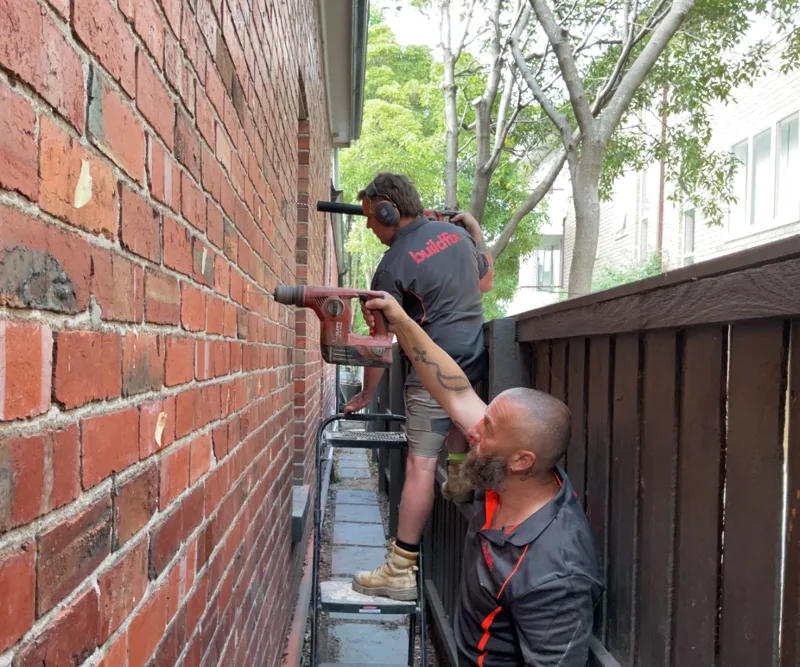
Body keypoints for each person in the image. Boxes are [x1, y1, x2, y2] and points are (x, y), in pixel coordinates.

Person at [361, 290, 603, 666]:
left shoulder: (554, 573)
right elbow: (453, 389)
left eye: (487, 429)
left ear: (522, 460)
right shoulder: (512, 475)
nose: (472, 431)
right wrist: (401, 321)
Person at [345, 173, 493, 601]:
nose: (370, 226)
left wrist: (367, 393)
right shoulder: (456, 236)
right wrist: (475, 231)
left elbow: (381, 342)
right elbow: (485, 284)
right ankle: (464, 476)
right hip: (473, 362)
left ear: (389, 209)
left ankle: (399, 569)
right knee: (458, 428)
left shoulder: (391, 267)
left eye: (372, 217)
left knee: (420, 467)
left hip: (431, 376)